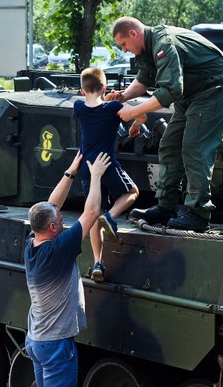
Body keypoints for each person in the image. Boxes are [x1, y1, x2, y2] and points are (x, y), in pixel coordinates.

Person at [24, 151, 111, 387]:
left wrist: (72, 170)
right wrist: (98, 175)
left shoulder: (32, 243)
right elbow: (91, 213)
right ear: (54, 228)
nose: (61, 216)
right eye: (59, 218)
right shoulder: (59, 248)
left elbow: (48, 205)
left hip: (38, 339)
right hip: (56, 343)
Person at [107, 16, 223, 232]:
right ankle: (166, 206)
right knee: (169, 145)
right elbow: (145, 79)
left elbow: (170, 91)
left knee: (194, 146)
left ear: (133, 34)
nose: (124, 50)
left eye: (123, 44)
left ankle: (198, 213)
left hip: (215, 87)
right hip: (192, 93)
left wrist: (134, 112)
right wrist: (123, 96)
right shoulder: (146, 48)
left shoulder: (163, 43)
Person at [75, 66, 142, 282]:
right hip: (107, 164)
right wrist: (131, 121)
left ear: (82, 90)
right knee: (132, 192)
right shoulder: (113, 107)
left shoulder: (78, 107)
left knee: (94, 211)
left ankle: (97, 263)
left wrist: (107, 98)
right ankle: (111, 216)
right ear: (104, 87)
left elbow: (93, 103)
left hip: (87, 166)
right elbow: (143, 116)